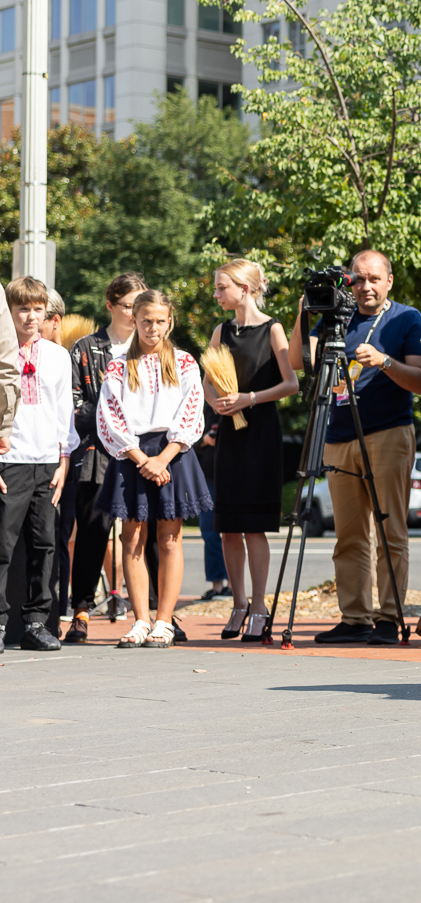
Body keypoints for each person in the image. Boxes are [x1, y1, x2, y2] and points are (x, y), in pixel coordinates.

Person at [288, 250, 421, 645]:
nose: (365, 287)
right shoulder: (337, 317)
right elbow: (298, 360)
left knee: (389, 531)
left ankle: (388, 616)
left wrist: (385, 362)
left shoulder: (406, 318)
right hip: (338, 434)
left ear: (389, 281)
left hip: (387, 432)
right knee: (348, 534)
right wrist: (305, 310)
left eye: (373, 279)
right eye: (358, 279)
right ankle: (355, 618)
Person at [97, 290, 210, 649]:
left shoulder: (184, 362)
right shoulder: (117, 364)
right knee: (131, 537)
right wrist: (141, 458)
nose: (153, 327)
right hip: (133, 455)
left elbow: (192, 412)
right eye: (146, 320)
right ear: (135, 320)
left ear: (169, 321)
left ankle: (164, 620)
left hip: (173, 453)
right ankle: (141, 620)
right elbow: (109, 415)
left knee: (170, 538)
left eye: (160, 321)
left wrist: (163, 458)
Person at [205, 259, 299, 644]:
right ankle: (238, 602)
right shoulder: (220, 330)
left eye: (221, 287)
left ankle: (260, 605)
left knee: (254, 527)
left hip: (260, 434)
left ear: (244, 289)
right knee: (228, 526)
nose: (216, 294)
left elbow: (291, 382)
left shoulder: (273, 328)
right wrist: (217, 403)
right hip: (230, 432)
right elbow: (207, 380)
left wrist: (250, 398)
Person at [64, 273, 143, 644]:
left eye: (140, 306)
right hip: (96, 452)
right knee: (92, 533)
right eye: (128, 305)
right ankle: (80, 610)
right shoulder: (84, 347)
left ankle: (155, 612)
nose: (134, 313)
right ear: (110, 305)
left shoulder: (151, 347)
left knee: (145, 536)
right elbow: (75, 403)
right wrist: (112, 421)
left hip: (142, 454)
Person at [0, 278, 69, 650]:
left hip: (46, 460)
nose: (31, 317)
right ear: (10, 312)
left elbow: (64, 413)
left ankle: (36, 622)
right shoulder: (2, 352)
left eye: (38, 309)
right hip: (8, 458)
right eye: (23, 309)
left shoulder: (58, 355)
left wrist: (64, 459)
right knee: (3, 546)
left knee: (44, 545)